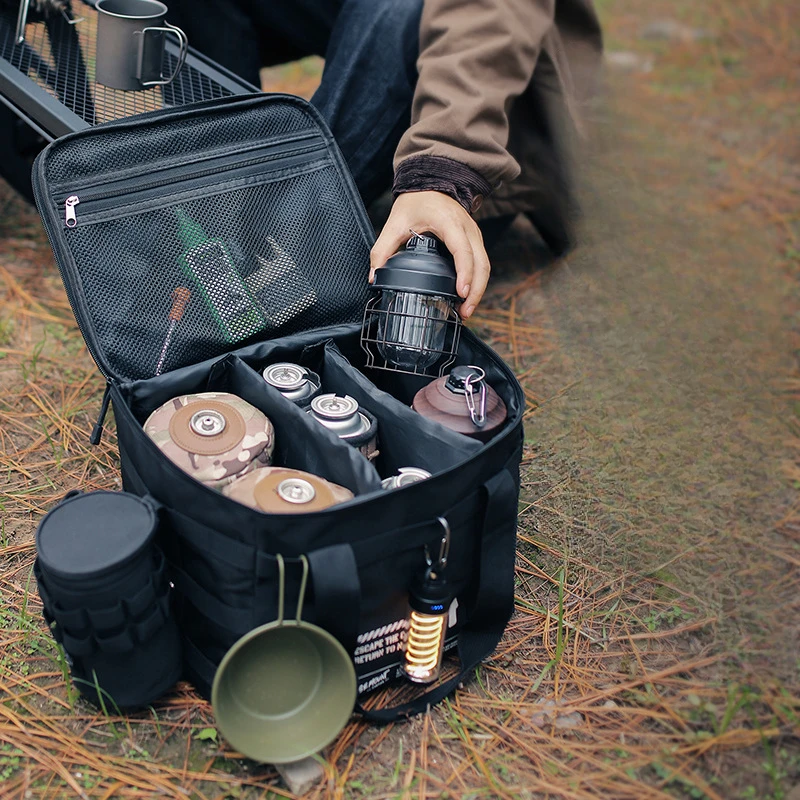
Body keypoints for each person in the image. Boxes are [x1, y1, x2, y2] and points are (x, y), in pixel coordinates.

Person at [168, 0, 603, 318]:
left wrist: (442, 172)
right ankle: (220, 215)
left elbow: (487, 15)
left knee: (398, 9)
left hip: (492, 87)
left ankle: (281, 252)